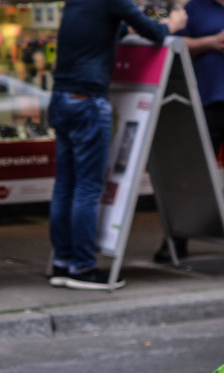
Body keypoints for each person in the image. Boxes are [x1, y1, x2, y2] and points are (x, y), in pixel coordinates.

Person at [47, 0, 185, 291]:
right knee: (86, 188)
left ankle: (62, 262)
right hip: (87, 101)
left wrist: (134, 14)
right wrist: (173, 22)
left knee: (65, 186)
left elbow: (105, 33)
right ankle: (82, 267)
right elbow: (156, 33)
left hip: (62, 97)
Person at [154, 0, 224, 265]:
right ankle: (177, 239)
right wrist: (209, 43)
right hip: (204, 103)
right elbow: (174, 45)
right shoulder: (195, 8)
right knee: (190, 174)